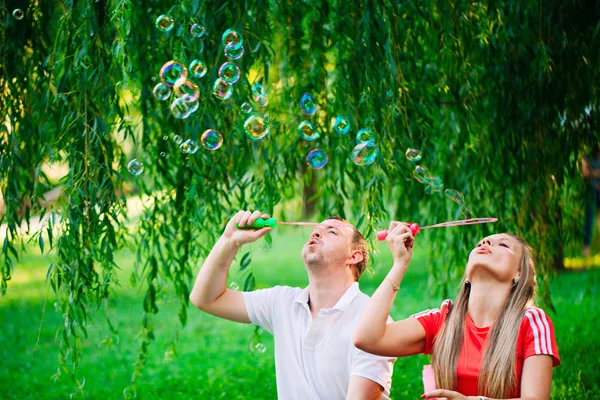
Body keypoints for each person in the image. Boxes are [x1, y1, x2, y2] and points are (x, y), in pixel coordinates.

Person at [189, 210, 395, 399]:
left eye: (331, 232)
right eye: (315, 231)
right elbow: (206, 298)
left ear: (354, 256)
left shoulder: (374, 321)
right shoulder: (282, 302)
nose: (316, 234)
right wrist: (229, 240)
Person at [353, 222, 560, 399]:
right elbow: (367, 338)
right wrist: (400, 263)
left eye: (503, 245)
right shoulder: (443, 319)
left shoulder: (532, 321)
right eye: (482, 242)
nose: (486, 243)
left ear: (519, 274)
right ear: (468, 275)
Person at [582, 146, 600, 258]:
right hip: (591, 191)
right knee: (589, 219)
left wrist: (593, 173)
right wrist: (596, 173)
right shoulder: (587, 156)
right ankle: (586, 249)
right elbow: (585, 173)